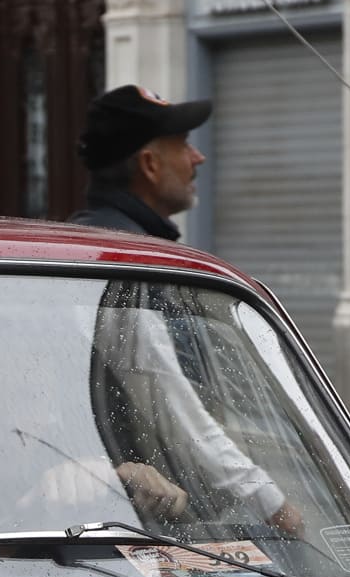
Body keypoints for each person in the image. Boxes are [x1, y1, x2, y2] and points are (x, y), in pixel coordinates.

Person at [66, 86, 305, 537]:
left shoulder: (108, 245)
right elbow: (174, 406)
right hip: (147, 514)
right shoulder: (123, 260)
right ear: (150, 165)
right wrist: (273, 503)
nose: (198, 158)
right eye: (183, 146)